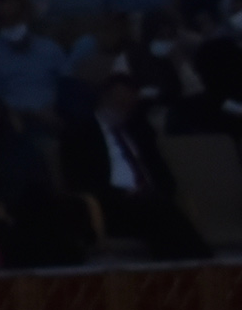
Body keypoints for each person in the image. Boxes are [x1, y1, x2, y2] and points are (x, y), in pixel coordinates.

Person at [59, 77, 209, 261]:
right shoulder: (80, 133)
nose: (125, 106)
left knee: (160, 208)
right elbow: (79, 180)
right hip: (110, 204)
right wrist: (124, 193)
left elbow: (163, 175)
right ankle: (197, 262)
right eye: (119, 100)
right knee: (159, 211)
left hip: (150, 199)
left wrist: (154, 190)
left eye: (130, 102)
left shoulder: (140, 131)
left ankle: (189, 264)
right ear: (104, 98)